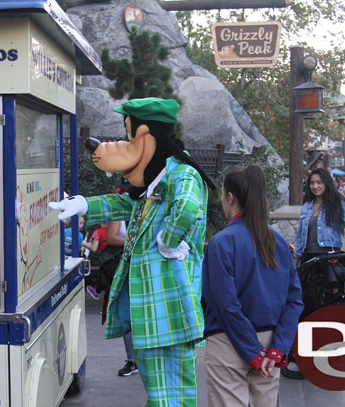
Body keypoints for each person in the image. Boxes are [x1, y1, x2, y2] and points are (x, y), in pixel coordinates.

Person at [50, 97, 212, 406]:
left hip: (170, 308)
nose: (126, 143)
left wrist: (169, 238)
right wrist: (85, 204)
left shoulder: (182, 174)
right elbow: (128, 204)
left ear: (149, 136)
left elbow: (189, 206)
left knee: (173, 393)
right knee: (159, 392)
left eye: (130, 135)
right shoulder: (158, 180)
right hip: (152, 310)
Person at [202, 165, 303, 407]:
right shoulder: (278, 242)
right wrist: (278, 349)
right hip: (271, 341)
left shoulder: (221, 243)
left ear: (230, 198)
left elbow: (226, 305)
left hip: (228, 341)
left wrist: (252, 352)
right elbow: (294, 300)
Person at [294, 168, 345, 265]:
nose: (315, 186)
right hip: (308, 259)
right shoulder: (306, 206)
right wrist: (295, 262)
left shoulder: (338, 203)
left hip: (331, 258)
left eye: (319, 182)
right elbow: (300, 237)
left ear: (326, 183)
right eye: (312, 183)